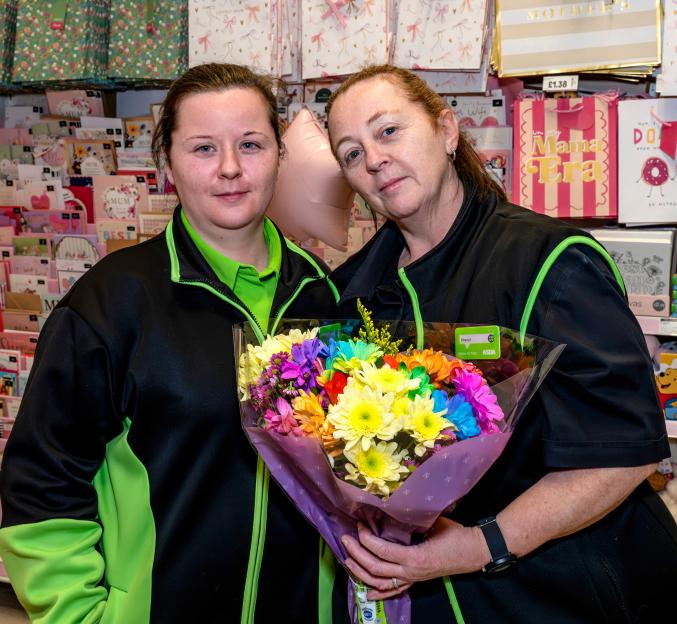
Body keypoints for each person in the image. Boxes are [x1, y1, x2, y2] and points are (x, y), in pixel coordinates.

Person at [327, 64, 677, 622]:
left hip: (572, 586)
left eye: (388, 131)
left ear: (445, 130)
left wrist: (478, 544)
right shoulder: (354, 296)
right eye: (350, 152)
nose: (372, 159)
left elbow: (625, 453)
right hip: (434, 594)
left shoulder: (548, 260)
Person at [0, 63, 346, 623]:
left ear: (280, 154)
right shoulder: (112, 304)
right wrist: (82, 616)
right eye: (204, 148)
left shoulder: (325, 297)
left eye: (251, 144)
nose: (231, 168)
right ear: (167, 164)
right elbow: (42, 483)